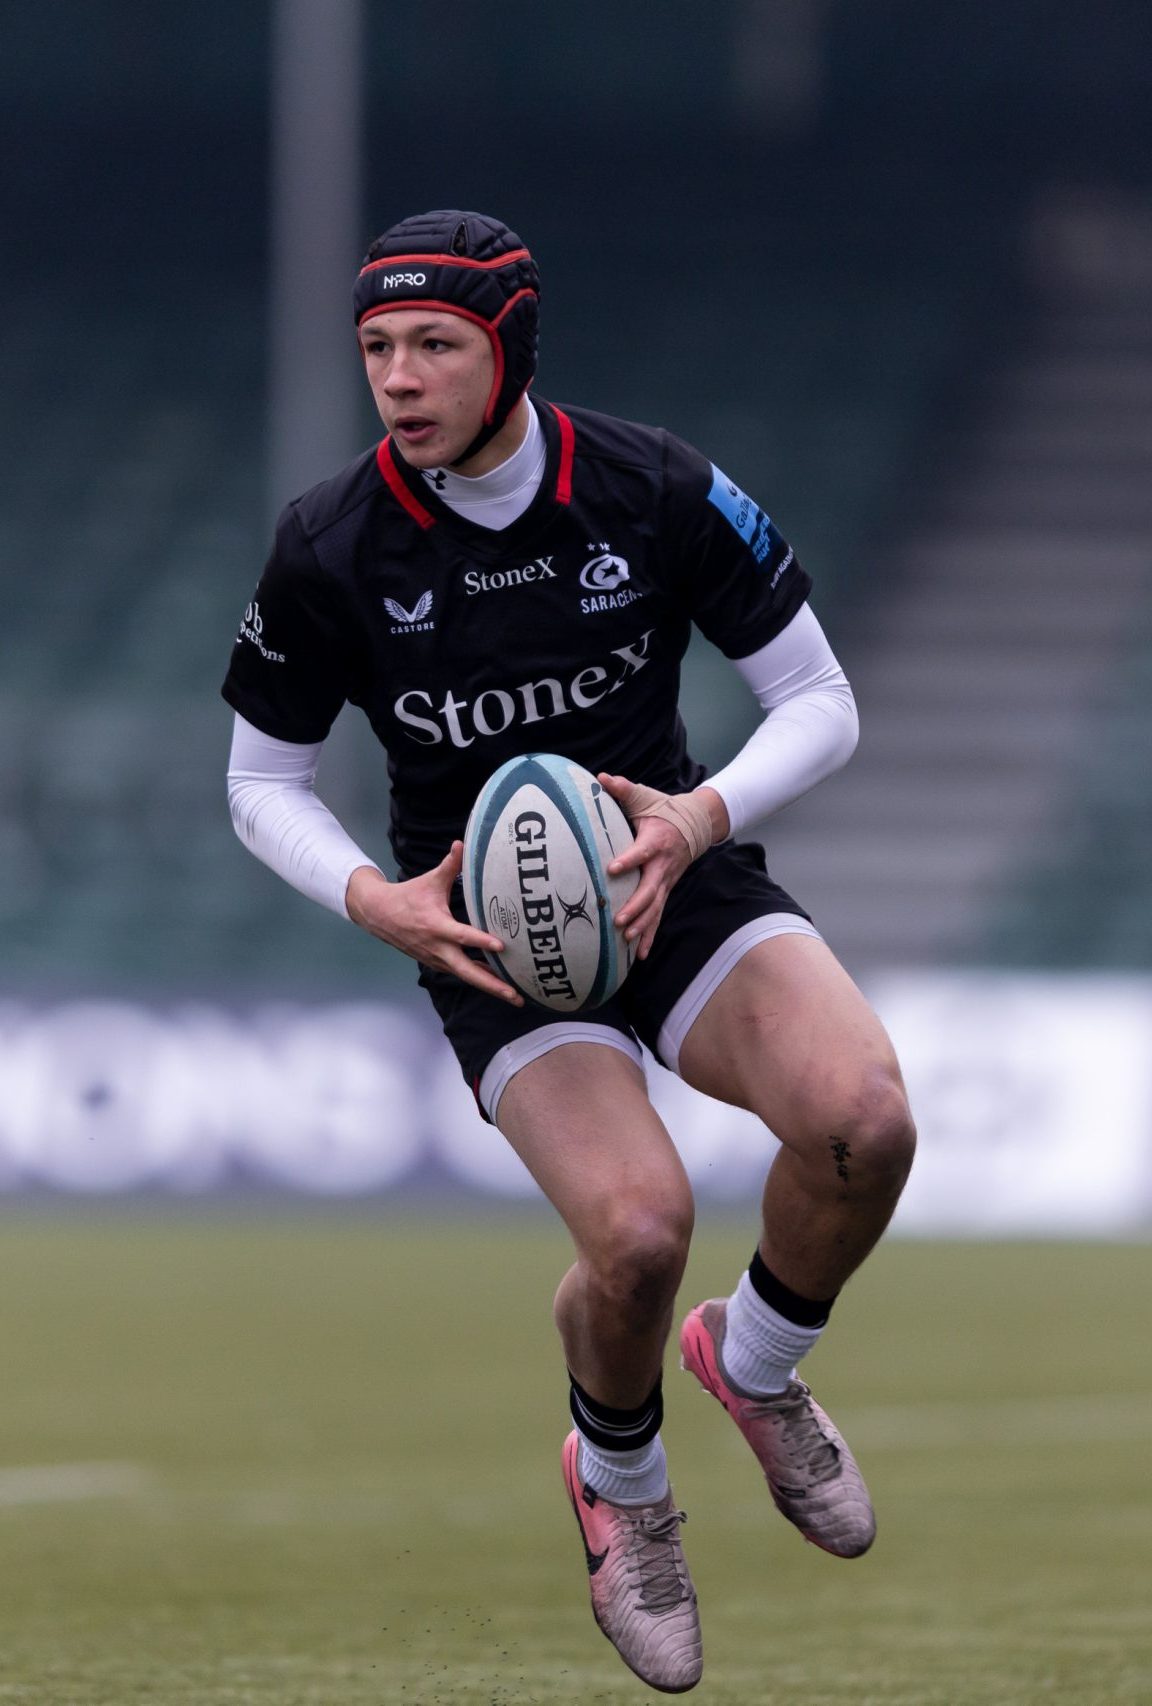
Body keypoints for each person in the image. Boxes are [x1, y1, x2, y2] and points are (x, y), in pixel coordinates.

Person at [223, 209, 916, 1694]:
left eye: (434, 347)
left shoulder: (654, 485)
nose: (400, 380)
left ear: (510, 347)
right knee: (640, 1228)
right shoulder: (332, 544)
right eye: (378, 350)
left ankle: (758, 1367)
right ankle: (626, 1486)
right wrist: (376, 898)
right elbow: (257, 782)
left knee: (865, 1119)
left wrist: (696, 817)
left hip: (679, 878)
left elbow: (822, 700)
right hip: (495, 943)